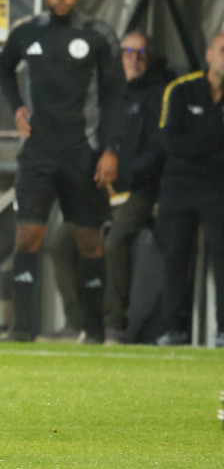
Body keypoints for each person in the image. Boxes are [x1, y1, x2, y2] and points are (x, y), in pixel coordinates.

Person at [0, 0, 124, 343]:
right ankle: (21, 329)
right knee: (27, 235)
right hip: (37, 152)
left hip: (83, 152)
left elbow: (115, 95)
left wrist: (110, 149)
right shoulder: (27, 31)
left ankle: (94, 330)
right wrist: (17, 107)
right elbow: (2, 68)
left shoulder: (98, 35)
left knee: (88, 240)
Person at [153, 32, 224, 346]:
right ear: (209, 54)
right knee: (176, 254)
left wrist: (199, 143)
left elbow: (186, 142)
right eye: (223, 50)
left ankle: (222, 330)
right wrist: (215, 141)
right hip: (179, 184)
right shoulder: (181, 89)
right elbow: (170, 142)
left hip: (219, 186)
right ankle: (173, 329)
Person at [102, 31, 170, 343]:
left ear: (149, 58)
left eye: (141, 53)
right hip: (105, 185)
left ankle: (114, 325)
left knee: (115, 242)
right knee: (62, 241)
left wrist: (121, 177)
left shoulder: (159, 95)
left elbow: (158, 149)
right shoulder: (109, 94)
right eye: (128, 52)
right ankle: (79, 320)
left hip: (142, 188)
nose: (134, 58)